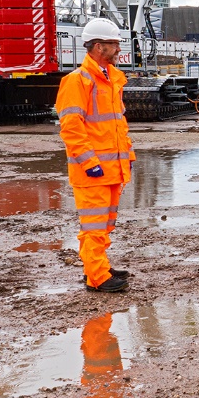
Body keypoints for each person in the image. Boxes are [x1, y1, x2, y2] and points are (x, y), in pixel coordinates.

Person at [55, 18, 136, 293]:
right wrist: (89, 163)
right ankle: (97, 277)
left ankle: (97, 268)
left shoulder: (111, 80)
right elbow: (71, 128)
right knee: (94, 225)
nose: (118, 50)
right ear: (99, 47)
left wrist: (129, 156)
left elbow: (117, 124)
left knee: (105, 224)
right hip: (93, 171)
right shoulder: (77, 81)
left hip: (112, 169)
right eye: (114, 44)